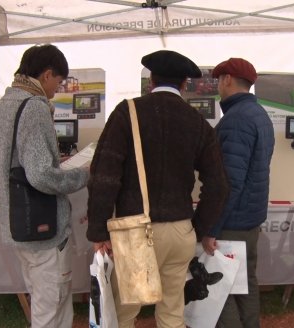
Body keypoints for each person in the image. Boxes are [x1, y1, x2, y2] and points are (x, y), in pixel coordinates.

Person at [86, 50, 229, 328]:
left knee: (126, 313)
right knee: (172, 313)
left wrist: (98, 230)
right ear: (185, 84)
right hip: (180, 232)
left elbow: (104, 177)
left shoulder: (127, 112)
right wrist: (196, 229)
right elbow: (219, 186)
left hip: (136, 231)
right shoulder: (198, 122)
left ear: (151, 79)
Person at [0, 44, 89, 328]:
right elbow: (41, 175)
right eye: (58, 81)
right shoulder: (33, 106)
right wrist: (82, 175)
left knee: (44, 300)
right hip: (43, 229)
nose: (57, 89)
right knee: (51, 305)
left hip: (19, 223)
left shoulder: (3, 104)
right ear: (46, 74)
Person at [208, 58, 275, 328]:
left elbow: (231, 182)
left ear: (227, 79)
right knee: (245, 284)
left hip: (232, 223)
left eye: (218, 80)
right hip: (250, 218)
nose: (218, 86)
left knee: (221, 290)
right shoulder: (259, 114)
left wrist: (213, 226)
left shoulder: (236, 120)